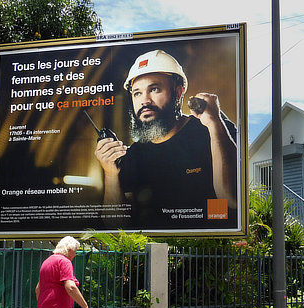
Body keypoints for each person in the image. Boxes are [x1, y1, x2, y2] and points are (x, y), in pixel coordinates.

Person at [94, 49, 238, 229]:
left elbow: (231, 198)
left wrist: (215, 123)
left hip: (209, 245)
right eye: (137, 93)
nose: (144, 101)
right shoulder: (134, 155)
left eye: (154, 89)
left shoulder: (213, 128)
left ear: (178, 93)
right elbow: (118, 227)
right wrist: (110, 174)